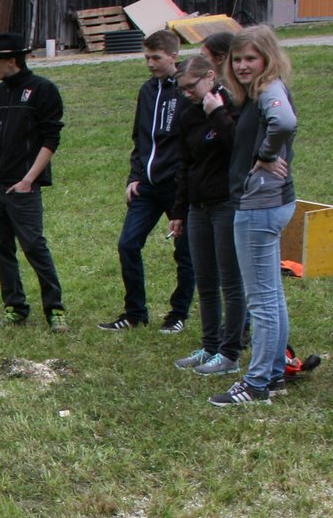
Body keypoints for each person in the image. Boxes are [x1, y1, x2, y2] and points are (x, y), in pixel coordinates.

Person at [209, 24, 298, 407]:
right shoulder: (257, 94)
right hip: (269, 203)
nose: (243, 66)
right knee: (271, 296)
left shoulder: (269, 90)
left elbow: (285, 123)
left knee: (261, 301)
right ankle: (273, 375)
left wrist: (265, 155)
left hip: (259, 206)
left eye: (251, 58)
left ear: (267, 59)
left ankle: (257, 382)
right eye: (237, 59)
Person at [100, 30, 196, 333]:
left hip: (177, 186)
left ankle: (178, 313)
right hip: (147, 186)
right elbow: (140, 138)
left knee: (185, 252)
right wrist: (135, 176)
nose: (150, 64)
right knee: (128, 244)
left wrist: (182, 182)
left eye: (156, 58)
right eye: (147, 58)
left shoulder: (185, 91)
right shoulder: (147, 90)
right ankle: (135, 312)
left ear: (173, 56)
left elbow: (189, 142)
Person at [0, 32, 68, 332]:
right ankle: (15, 307)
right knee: (1, 247)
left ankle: (55, 309)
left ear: (12, 60)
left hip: (23, 187)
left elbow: (51, 139)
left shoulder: (43, 90)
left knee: (33, 245)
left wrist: (29, 180)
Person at [168, 53, 244, 377]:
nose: (187, 94)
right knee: (206, 280)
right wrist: (179, 210)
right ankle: (209, 346)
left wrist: (217, 114)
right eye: (182, 89)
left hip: (227, 204)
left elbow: (241, 148)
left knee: (231, 281)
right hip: (198, 208)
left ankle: (230, 353)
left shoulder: (233, 106)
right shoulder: (188, 114)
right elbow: (185, 164)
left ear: (211, 77)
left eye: (192, 86)